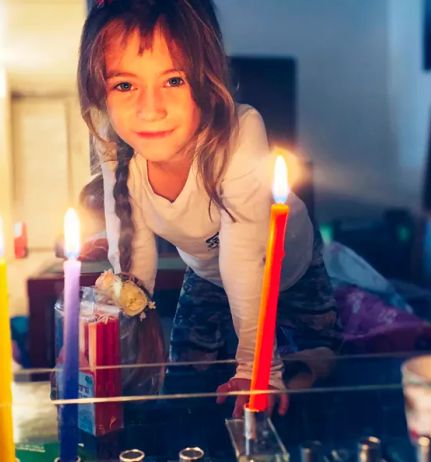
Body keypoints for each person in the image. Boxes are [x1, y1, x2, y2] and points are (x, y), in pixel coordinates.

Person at [77, 0, 342, 417]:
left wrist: (257, 366)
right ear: (100, 91)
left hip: (289, 265)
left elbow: (243, 255)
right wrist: (117, 331)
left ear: (206, 80)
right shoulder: (115, 147)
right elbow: (132, 245)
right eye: (124, 85)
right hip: (206, 273)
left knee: (318, 361)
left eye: (174, 80)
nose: (150, 109)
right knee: (186, 374)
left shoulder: (239, 131)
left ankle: (301, 366)